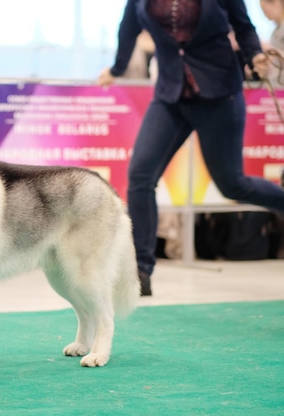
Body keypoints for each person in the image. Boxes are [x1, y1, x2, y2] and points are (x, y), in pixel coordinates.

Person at [97, 0, 284, 296]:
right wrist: (117, 68)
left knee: (233, 185)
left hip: (220, 94)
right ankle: (140, 273)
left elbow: (243, 25)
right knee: (141, 175)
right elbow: (128, 28)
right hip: (170, 96)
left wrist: (255, 56)